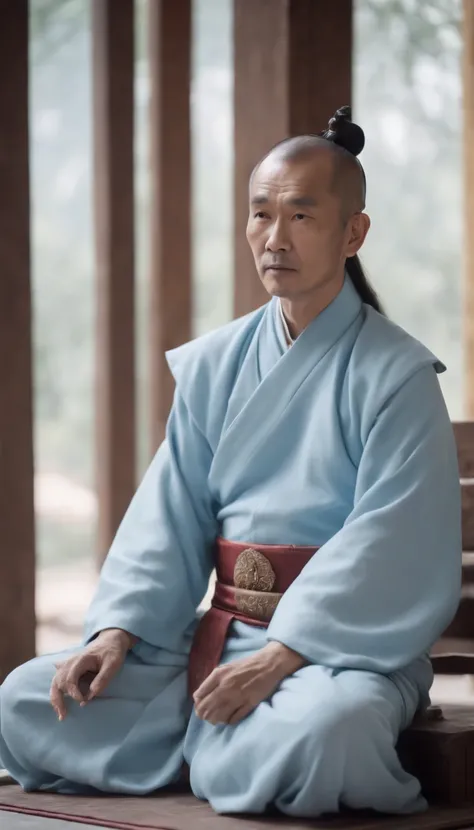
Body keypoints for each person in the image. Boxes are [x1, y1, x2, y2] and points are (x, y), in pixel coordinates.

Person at [0, 106, 461, 818]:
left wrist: (283, 655)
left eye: (301, 217)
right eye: (260, 215)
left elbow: (391, 545)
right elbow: (169, 511)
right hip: (219, 639)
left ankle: (201, 745)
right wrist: (118, 631)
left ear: (353, 233)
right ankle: (223, 745)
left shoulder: (395, 377)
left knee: (327, 732)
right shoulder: (216, 365)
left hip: (339, 652)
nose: (274, 238)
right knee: (28, 699)